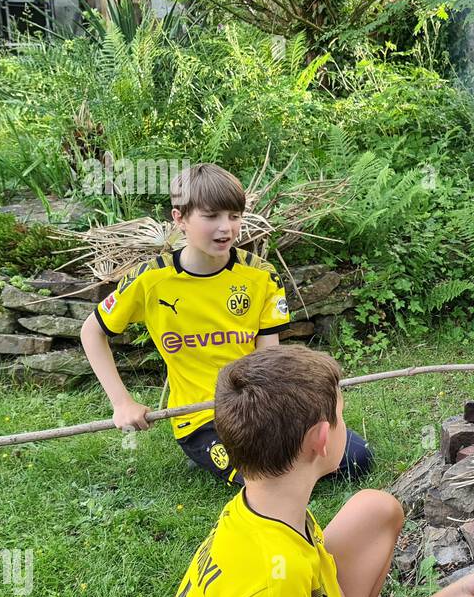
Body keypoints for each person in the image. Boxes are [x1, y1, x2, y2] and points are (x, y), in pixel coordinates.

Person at [160, 345, 474, 597]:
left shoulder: (265, 514)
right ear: (321, 438)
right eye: (342, 416)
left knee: (374, 509)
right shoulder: (275, 586)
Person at [79, 162, 372, 485]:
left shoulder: (260, 275)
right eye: (211, 216)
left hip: (257, 405)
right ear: (180, 219)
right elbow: (92, 331)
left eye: (234, 216)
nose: (226, 228)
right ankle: (206, 449)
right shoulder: (151, 280)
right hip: (200, 416)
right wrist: (122, 403)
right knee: (265, 478)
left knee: (356, 459)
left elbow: (268, 358)